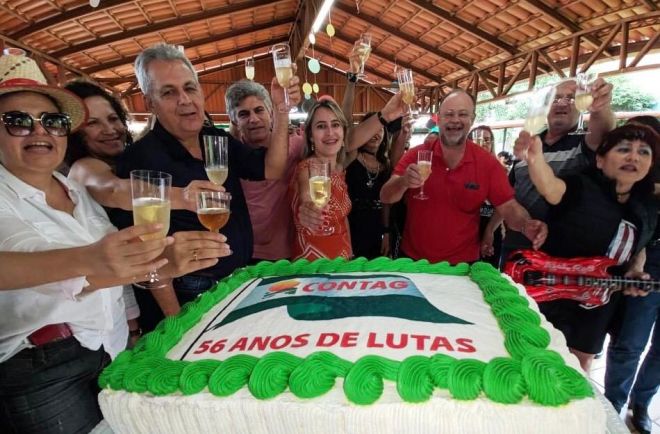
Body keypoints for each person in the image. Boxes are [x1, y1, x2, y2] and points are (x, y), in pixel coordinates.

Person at [0, 50, 226, 434]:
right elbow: (21, 263)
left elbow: (114, 276)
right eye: (19, 122)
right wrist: (97, 259)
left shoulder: (74, 191)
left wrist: (162, 265)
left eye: (52, 121)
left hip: (111, 348)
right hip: (43, 367)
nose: (40, 132)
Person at [113, 43, 297, 331]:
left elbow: (270, 169)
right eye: (169, 92)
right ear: (150, 103)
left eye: (190, 88)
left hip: (235, 280)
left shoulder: (216, 139)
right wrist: (176, 324)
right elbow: (143, 249)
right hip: (189, 291)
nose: (185, 100)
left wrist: (282, 110)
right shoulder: (142, 158)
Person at [64, 80, 224, 323]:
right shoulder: (85, 167)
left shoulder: (131, 160)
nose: (110, 129)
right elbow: (114, 190)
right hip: (120, 296)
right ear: (74, 131)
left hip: (137, 287)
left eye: (113, 119)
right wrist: (183, 196)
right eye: (93, 123)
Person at [515, 123, 658, 373]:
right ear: (600, 160)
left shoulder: (646, 206)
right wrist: (535, 159)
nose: (633, 157)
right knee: (532, 359)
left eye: (643, 152)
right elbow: (550, 186)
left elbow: (639, 247)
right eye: (624, 149)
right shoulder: (580, 186)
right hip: (550, 293)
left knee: (578, 367)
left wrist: (636, 271)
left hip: (598, 306)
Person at [380, 89, 547, 264]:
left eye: (462, 114)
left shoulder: (487, 163)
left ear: (472, 119)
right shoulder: (417, 155)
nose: (455, 120)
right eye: (449, 114)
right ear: (439, 118)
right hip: (414, 261)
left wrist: (526, 224)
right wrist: (403, 182)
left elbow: (509, 207)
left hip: (463, 265)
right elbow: (385, 196)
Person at [492, 77, 616, 267]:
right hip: (515, 246)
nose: (562, 103)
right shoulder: (529, 142)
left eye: (570, 98)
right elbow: (508, 197)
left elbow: (603, 131)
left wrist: (600, 107)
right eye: (555, 98)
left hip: (560, 255)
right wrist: (490, 230)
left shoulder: (584, 142)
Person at [604, 115, 660, 433]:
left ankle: (641, 404)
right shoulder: (642, 171)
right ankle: (612, 405)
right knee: (630, 341)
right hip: (648, 257)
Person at [225, 79, 303, 262]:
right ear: (234, 121)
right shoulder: (230, 155)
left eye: (259, 110)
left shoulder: (295, 146)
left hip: (285, 254)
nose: (253, 119)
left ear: (270, 113)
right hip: (240, 252)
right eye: (244, 114)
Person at [290, 100, 353, 260]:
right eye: (321, 126)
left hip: (343, 260)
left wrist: (351, 253)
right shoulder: (307, 168)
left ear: (343, 132)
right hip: (312, 262)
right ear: (311, 136)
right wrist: (309, 210)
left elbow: (343, 219)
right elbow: (307, 198)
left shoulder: (339, 169)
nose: (330, 132)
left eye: (335, 124)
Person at [345, 112, 393, 258]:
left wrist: (386, 232)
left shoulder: (386, 164)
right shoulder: (350, 158)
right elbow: (347, 128)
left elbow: (386, 202)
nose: (375, 133)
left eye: (380, 129)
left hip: (376, 227)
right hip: (352, 226)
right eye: (372, 129)